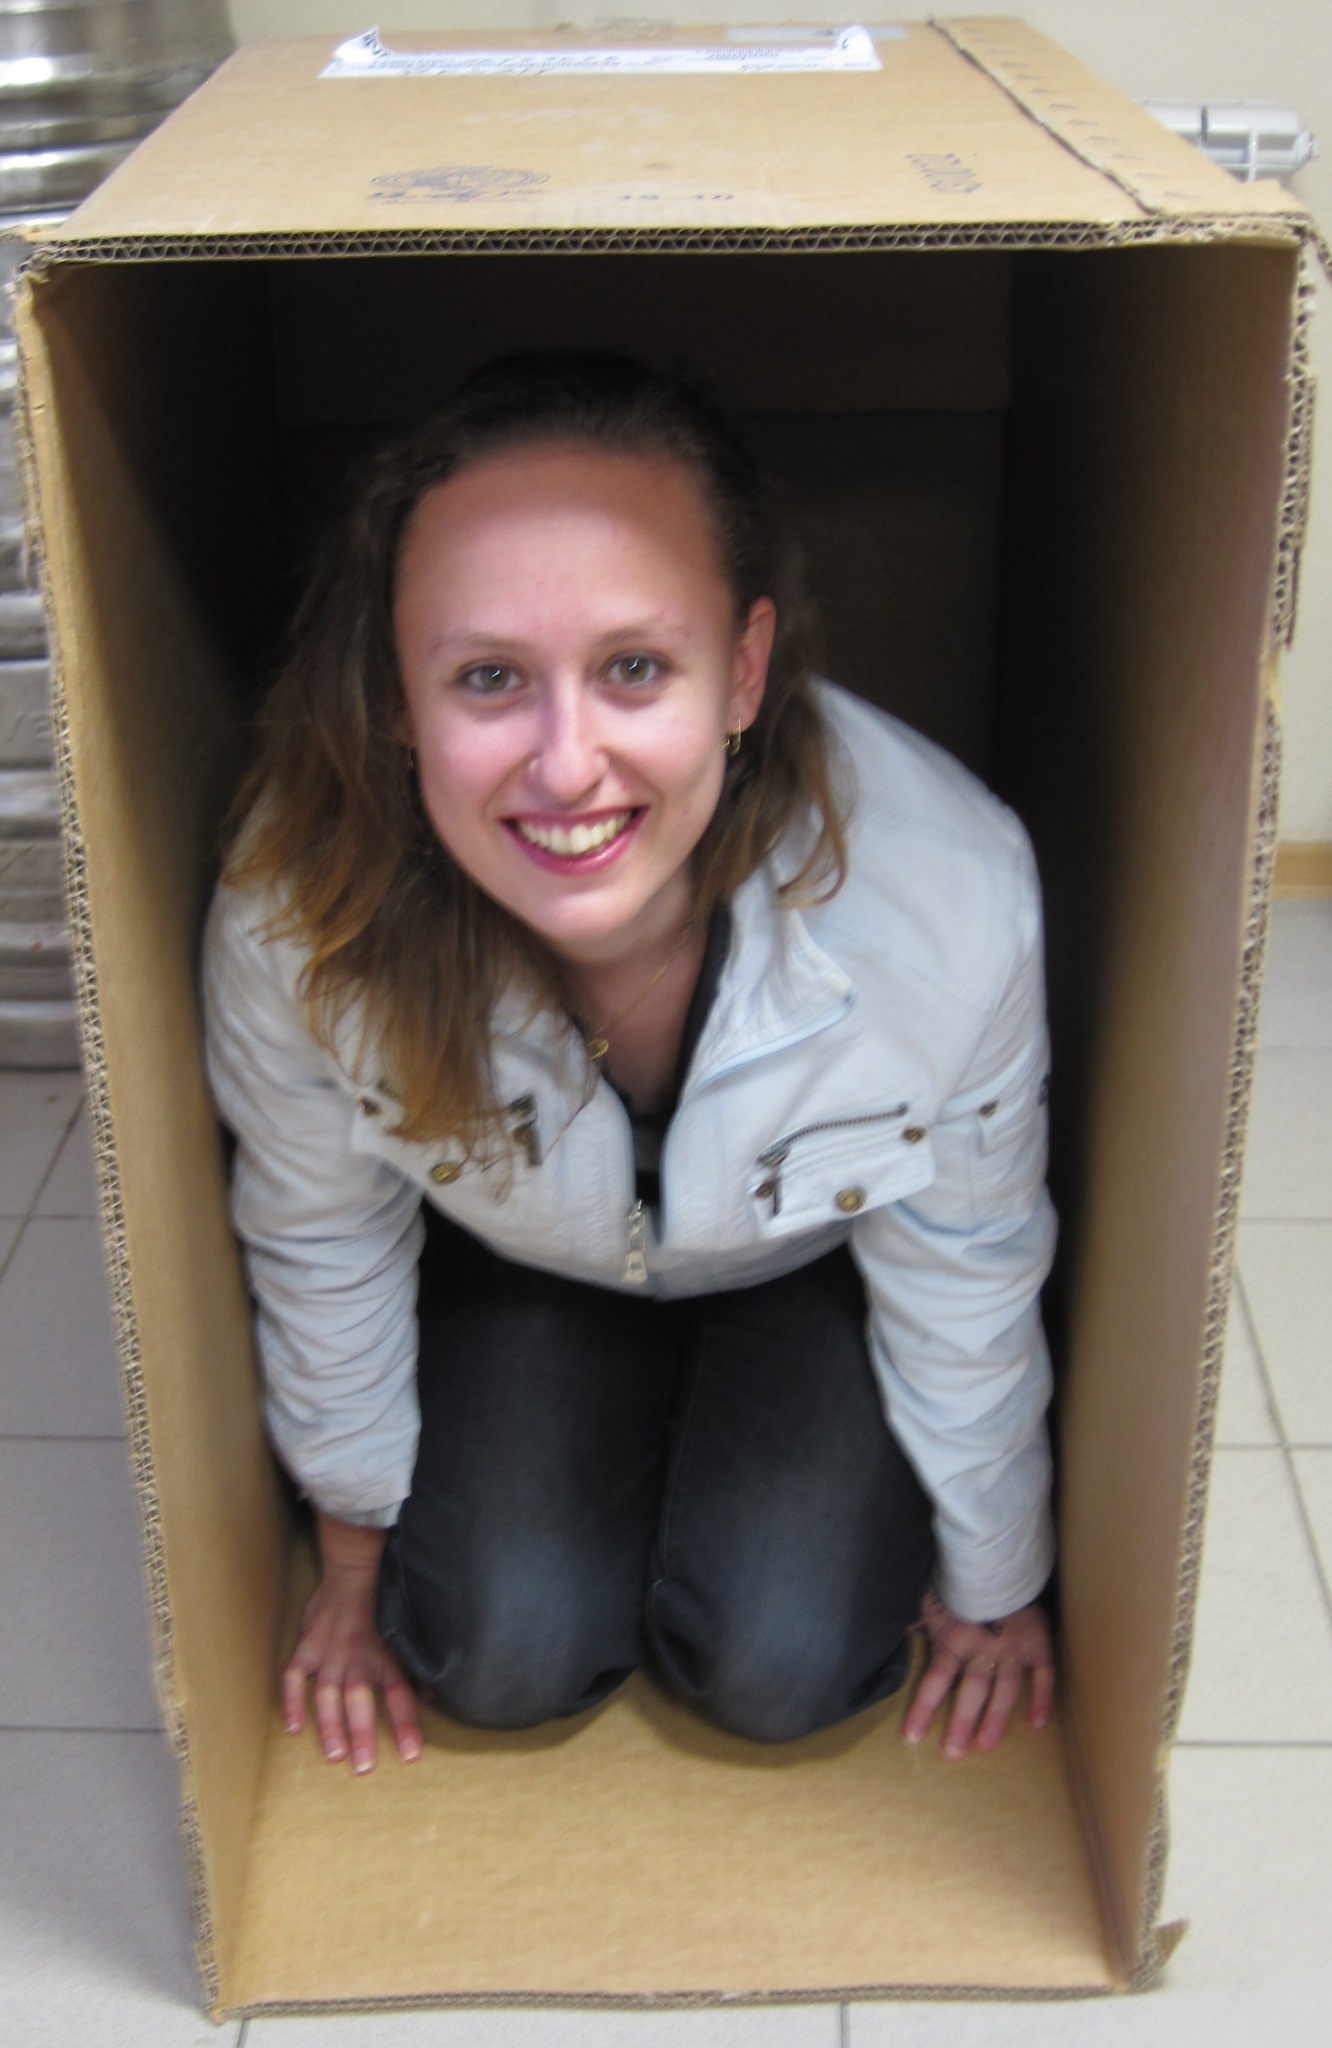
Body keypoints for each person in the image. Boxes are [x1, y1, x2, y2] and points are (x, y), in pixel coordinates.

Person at [203, 352, 1057, 1779]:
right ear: (397, 696)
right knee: (497, 1656)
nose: (565, 765)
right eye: (488, 677)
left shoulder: (946, 893)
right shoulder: (302, 916)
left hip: (808, 1263)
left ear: (744, 670)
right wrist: (349, 1562)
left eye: (635, 669)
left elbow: (971, 1245)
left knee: (785, 1666)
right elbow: (318, 1232)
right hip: (521, 1258)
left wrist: (998, 1572)